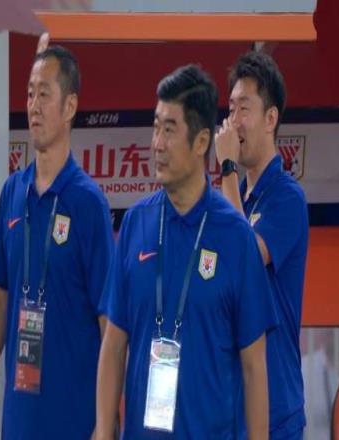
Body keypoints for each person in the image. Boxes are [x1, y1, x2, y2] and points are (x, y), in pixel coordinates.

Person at [95, 65, 276, 440]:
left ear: (201, 142)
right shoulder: (136, 223)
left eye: (169, 130)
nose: (157, 144)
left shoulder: (236, 237)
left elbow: (254, 367)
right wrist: (103, 429)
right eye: (155, 128)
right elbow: (113, 343)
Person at [0, 45, 115, 439]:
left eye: (44, 94)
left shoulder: (88, 203)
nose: (33, 105)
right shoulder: (12, 192)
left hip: (74, 420)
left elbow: (110, 324)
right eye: (30, 93)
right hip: (19, 419)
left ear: (70, 106)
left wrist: (105, 422)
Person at [215, 50, 309, 439]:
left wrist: (226, 169)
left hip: (276, 410)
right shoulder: (231, 196)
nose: (233, 120)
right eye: (230, 109)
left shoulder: (287, 197)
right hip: (229, 406)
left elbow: (246, 259)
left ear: (270, 119)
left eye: (244, 108)